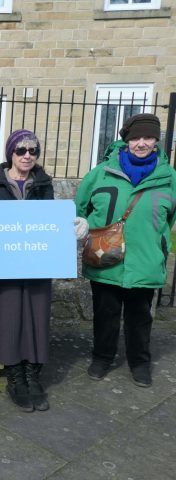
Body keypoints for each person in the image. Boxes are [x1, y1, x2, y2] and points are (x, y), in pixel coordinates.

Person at [0, 129, 85, 412]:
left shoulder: (43, 184)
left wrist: (73, 226)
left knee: (37, 317)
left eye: (33, 151)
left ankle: (33, 375)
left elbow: (50, 224)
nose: (28, 155)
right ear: (10, 154)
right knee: (10, 319)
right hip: (4, 264)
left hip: (37, 262)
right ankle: (15, 377)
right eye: (21, 150)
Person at [75, 113, 176, 388]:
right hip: (104, 259)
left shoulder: (169, 178)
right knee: (105, 314)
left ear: (156, 140)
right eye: (135, 138)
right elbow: (80, 208)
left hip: (145, 260)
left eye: (148, 137)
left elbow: (170, 218)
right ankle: (102, 357)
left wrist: (156, 241)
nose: (141, 143)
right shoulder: (101, 173)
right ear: (126, 140)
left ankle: (140, 362)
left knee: (140, 317)